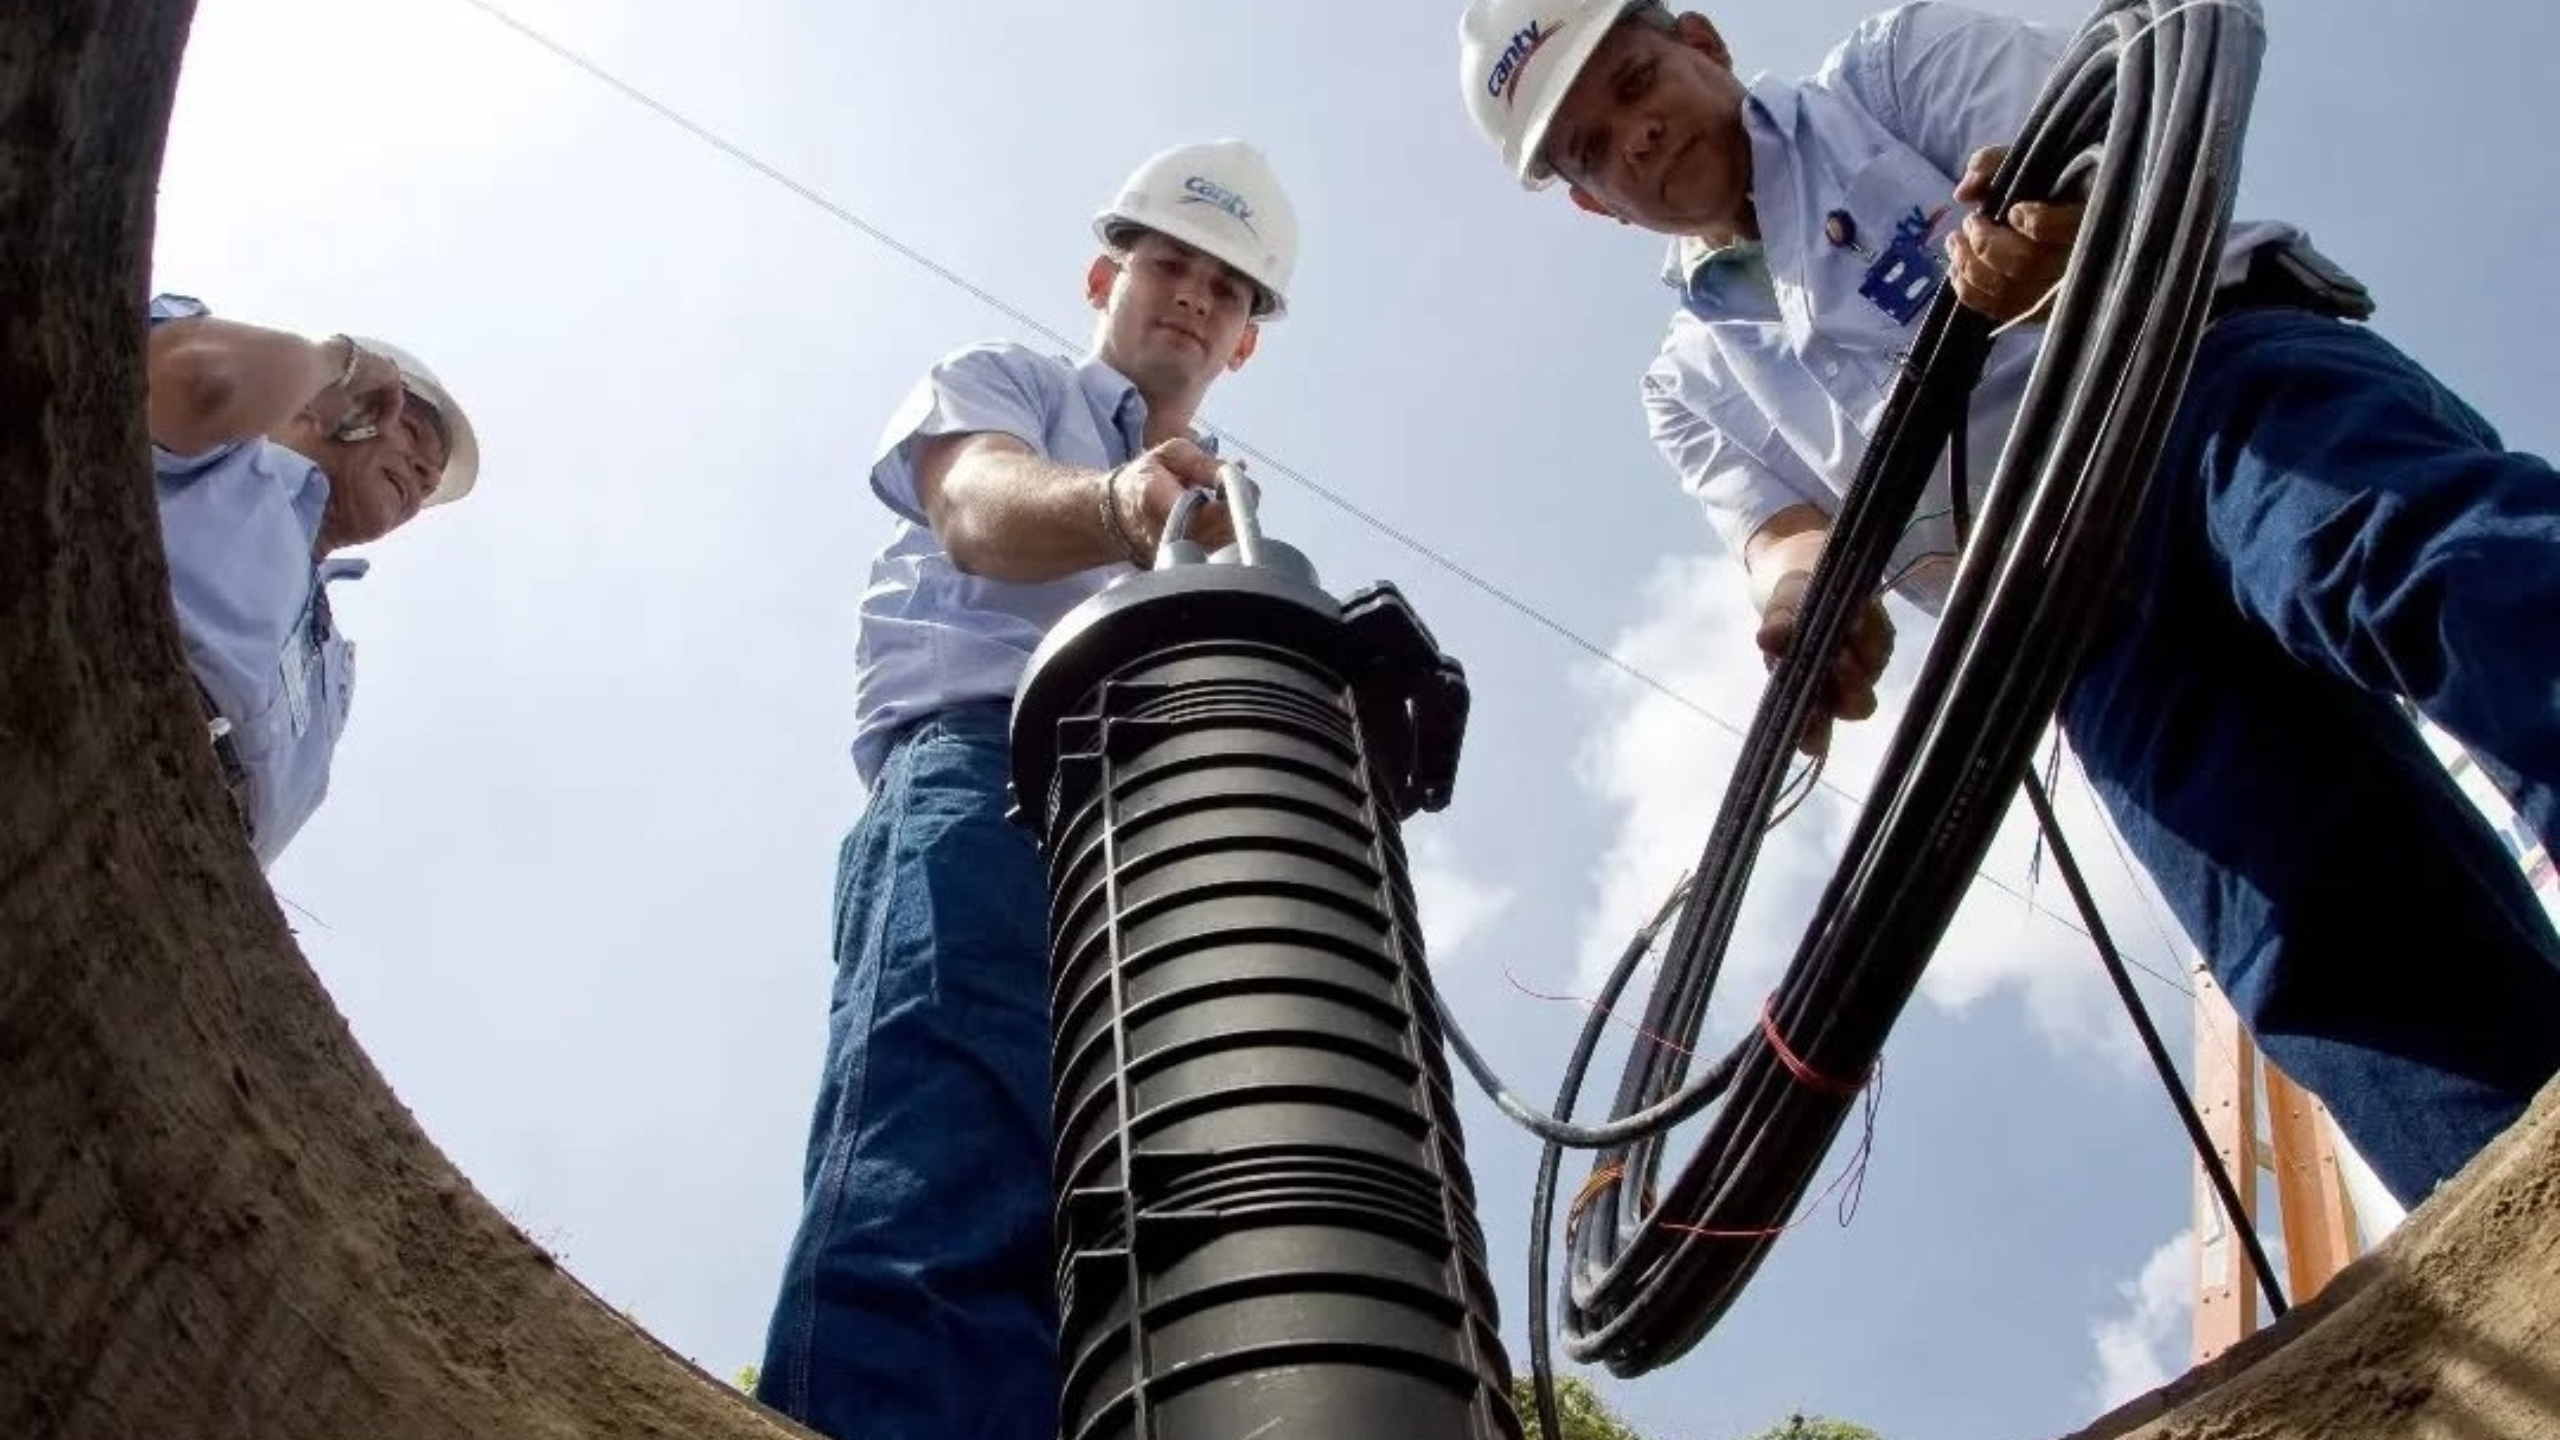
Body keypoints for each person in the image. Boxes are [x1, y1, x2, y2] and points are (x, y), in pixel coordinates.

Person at [1455, 0, 2560, 1208]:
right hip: (2064, 619)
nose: (1638, 138)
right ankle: (2523, 1215)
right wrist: (1804, 618)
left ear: (1702, 45)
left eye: (1632, 82)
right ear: (1588, 203)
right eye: (1594, 150)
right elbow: (1786, 538)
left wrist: (2060, 229)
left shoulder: (1892, 71)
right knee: (2300, 920)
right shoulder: (1690, 383)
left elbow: (2116, 155)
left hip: (2203, 385)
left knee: (2426, 576)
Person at [751, 138, 1298, 1440]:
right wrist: (1119, 505)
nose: (1192, 297)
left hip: (1174, 847)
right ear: (1104, 275)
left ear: (1246, 344)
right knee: (949, 1148)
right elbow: (976, 510)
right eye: (1168, 263)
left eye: (1226, 290)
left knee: (1144, 1229)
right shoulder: (1004, 384)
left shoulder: (1241, 520)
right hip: (993, 774)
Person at [144, 293, 481, 868]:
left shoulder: (334, 664)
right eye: (417, 438)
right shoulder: (227, 458)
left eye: (431, 482)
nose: (426, 477)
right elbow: (198, 377)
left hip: (199, 875)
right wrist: (334, 367)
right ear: (350, 408)